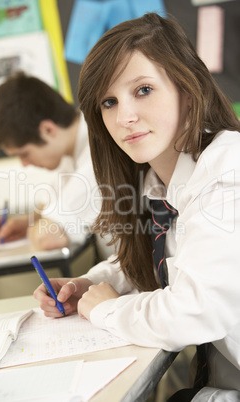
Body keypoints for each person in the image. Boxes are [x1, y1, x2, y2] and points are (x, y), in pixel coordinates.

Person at [33, 13, 240, 401]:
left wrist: (106, 310)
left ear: (186, 87)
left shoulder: (227, 174)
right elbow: (169, 255)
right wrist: (92, 286)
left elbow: (195, 311)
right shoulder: (160, 183)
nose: (124, 117)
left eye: (143, 90)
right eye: (108, 102)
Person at [0, 72, 111, 257]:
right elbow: (53, 201)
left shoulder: (98, 150)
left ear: (48, 130)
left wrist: (38, 226)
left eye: (24, 153)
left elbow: (48, 238)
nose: (24, 164)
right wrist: (27, 221)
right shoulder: (71, 149)